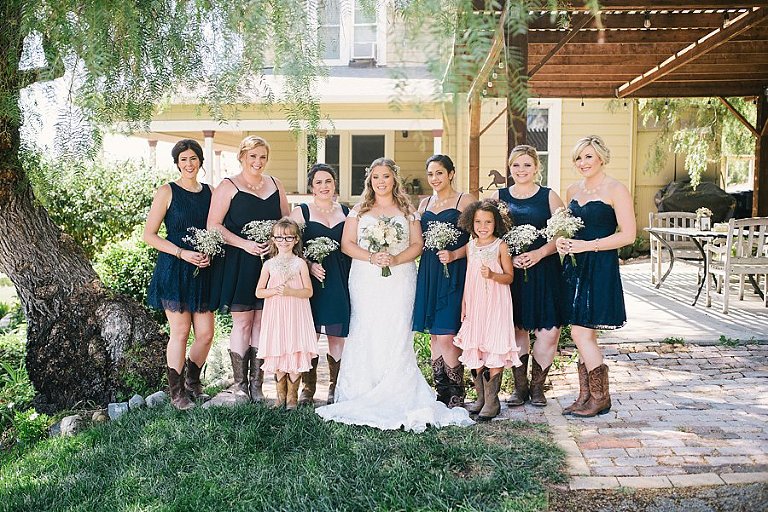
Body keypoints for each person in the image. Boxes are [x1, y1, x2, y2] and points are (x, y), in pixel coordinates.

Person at [315, 158, 473, 432]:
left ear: (394, 179)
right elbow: (347, 244)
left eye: (386, 176)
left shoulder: (408, 209)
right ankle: (364, 388)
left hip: (400, 278)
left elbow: (418, 244)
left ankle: (401, 386)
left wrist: (396, 259)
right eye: (376, 177)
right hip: (366, 278)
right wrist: (372, 256)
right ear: (370, 180)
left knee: (396, 329)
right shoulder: (359, 210)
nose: (381, 182)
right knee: (367, 328)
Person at [556, 135, 636, 418]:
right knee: (583, 333)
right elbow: (569, 229)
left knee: (580, 332)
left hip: (600, 264)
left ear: (601, 157)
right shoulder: (572, 190)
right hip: (575, 266)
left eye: (588, 156)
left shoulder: (616, 189)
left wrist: (588, 246)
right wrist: (562, 242)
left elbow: (628, 235)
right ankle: (586, 396)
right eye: (578, 157)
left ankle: (601, 398)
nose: (583, 162)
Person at [208, 136, 290, 402]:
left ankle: (257, 385)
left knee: (262, 322)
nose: (258, 161)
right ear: (242, 157)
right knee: (243, 322)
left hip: (270, 263)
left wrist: (277, 243)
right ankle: (240, 385)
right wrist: (244, 244)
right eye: (253, 156)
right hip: (240, 262)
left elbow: (286, 221)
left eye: (262, 157)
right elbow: (213, 225)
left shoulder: (276, 184)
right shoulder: (228, 186)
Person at [493, 145, 566, 408]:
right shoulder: (499, 197)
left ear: (536, 167)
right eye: (516, 165)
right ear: (509, 168)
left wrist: (539, 253)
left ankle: (538, 387)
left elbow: (563, 233)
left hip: (545, 271)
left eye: (526, 164)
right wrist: (507, 259)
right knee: (517, 329)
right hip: (512, 273)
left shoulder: (549, 196)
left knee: (550, 331)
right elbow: (488, 234)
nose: (521, 170)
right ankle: (520, 388)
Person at [144, 139, 214, 410]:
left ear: (200, 161)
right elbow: (149, 235)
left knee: (206, 334)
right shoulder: (167, 191)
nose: (189, 164)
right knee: (181, 332)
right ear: (177, 163)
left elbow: (216, 227)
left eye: (193, 158)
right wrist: (181, 253)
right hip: (174, 268)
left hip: (202, 270)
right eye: (183, 159)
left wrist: (211, 250)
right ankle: (177, 393)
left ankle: (192, 384)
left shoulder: (210, 192)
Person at [412, 155, 474, 408]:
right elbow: (417, 239)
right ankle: (442, 392)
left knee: (447, 334)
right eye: (430, 174)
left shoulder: (465, 201)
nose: (434, 178)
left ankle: (457, 393)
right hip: (430, 271)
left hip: (455, 271)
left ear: (451, 173)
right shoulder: (424, 203)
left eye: (439, 173)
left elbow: (481, 239)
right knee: (435, 336)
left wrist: (455, 254)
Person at [289, 164, 351, 406]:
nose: (324, 186)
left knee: (337, 334)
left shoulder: (347, 212)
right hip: (311, 281)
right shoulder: (301, 212)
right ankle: (308, 388)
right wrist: (309, 264)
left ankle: (335, 387)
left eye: (328, 181)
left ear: (335, 184)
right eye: (318, 182)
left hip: (340, 278)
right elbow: (287, 245)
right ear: (311, 187)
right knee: (310, 334)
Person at [454, 199, 521, 421]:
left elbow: (509, 277)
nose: (483, 226)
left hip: (496, 302)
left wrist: (492, 275)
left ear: (496, 223)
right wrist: (464, 303)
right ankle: (481, 398)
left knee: (493, 344)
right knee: (477, 344)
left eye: (488, 222)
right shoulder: (470, 246)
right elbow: (468, 277)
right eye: (478, 222)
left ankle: (492, 402)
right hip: (475, 302)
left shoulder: (500, 246)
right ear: (471, 223)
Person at [255, 218, 318, 410]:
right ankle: (280, 397)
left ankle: (292, 398)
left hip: (296, 312)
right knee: (279, 346)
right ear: (273, 240)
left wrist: (291, 291)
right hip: (276, 314)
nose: (284, 241)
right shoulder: (269, 264)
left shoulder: (300, 264)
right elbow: (259, 292)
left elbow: (309, 291)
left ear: (296, 239)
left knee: (294, 346)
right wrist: (274, 291)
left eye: (289, 237)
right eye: (279, 238)